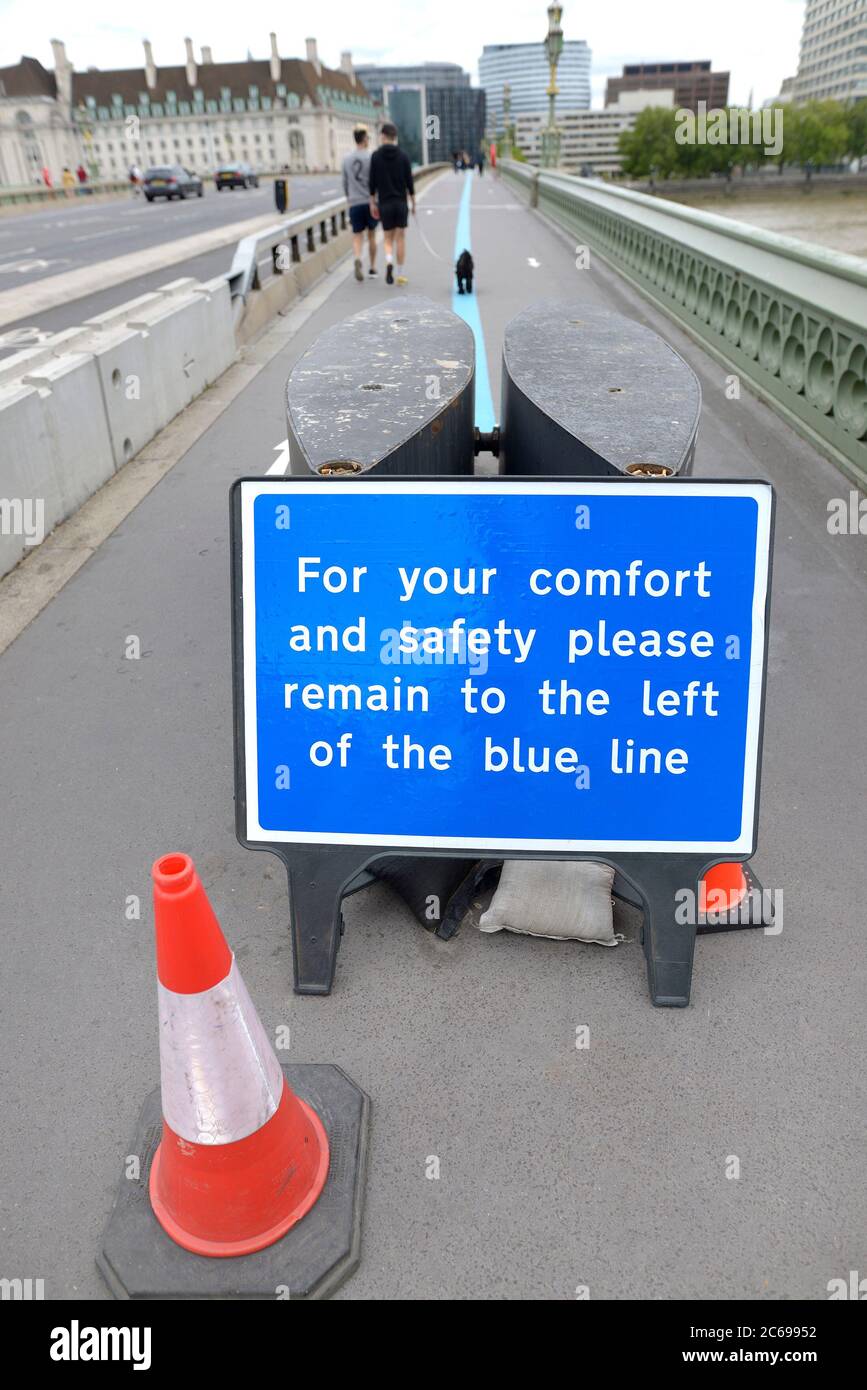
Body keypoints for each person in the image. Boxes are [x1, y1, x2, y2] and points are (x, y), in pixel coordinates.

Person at [369, 122, 415, 286]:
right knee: (400, 238)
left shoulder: (375, 156)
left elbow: (372, 182)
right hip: (401, 203)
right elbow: (410, 183)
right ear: (395, 137)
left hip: (385, 204)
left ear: (383, 136)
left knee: (387, 238)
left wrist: (372, 202)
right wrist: (413, 204)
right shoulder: (403, 156)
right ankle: (400, 274)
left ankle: (389, 262)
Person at [342, 126, 378, 282]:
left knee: (357, 236)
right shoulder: (371, 157)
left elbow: (344, 182)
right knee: (372, 236)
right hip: (370, 202)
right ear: (364, 139)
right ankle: (372, 267)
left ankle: (357, 258)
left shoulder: (346, 159)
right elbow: (376, 181)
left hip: (355, 202)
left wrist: (349, 198)